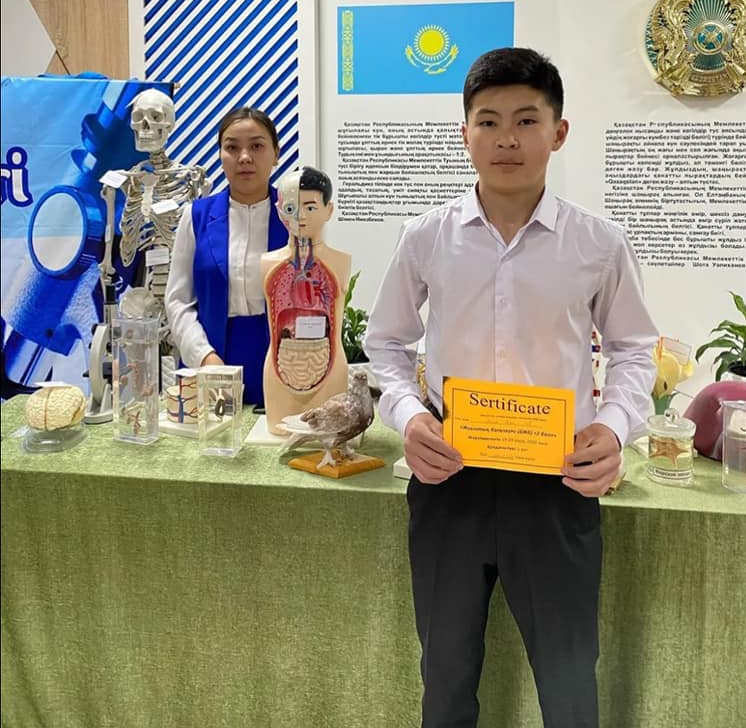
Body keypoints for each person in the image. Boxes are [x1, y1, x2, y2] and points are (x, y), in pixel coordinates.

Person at [364, 47, 658, 728]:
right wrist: (409, 416)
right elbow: (385, 344)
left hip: (556, 484)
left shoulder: (598, 242)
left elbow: (635, 350)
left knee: (568, 682)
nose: (506, 140)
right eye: (489, 122)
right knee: (444, 678)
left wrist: (613, 429)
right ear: (464, 133)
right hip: (450, 479)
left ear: (558, 132)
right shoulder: (425, 237)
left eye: (526, 121)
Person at [165, 107, 288, 408]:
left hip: (282, 363)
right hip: (212, 359)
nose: (244, 157)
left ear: (276, 153)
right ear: (220, 155)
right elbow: (178, 300)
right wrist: (205, 358)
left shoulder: (296, 217)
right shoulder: (196, 217)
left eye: (257, 146)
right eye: (232, 147)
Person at [261, 166, 350, 434]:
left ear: (329, 210)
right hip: (279, 367)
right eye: (291, 208)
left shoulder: (340, 261)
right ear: (279, 211)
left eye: (310, 207)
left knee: (329, 432)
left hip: (330, 368)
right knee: (279, 429)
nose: (300, 216)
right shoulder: (268, 262)